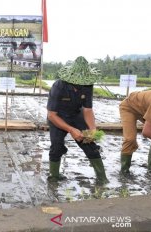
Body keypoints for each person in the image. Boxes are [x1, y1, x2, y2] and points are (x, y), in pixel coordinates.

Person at [46, 56, 109, 184]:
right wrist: (70, 129)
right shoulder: (59, 86)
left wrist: (93, 130)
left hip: (76, 114)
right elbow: (51, 115)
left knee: (90, 144)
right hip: (58, 116)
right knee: (56, 146)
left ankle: (102, 178)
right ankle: (54, 177)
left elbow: (87, 110)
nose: (82, 83)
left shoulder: (88, 86)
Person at [119, 89, 151, 175]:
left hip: (148, 109)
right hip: (129, 107)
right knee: (130, 139)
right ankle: (124, 171)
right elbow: (146, 132)